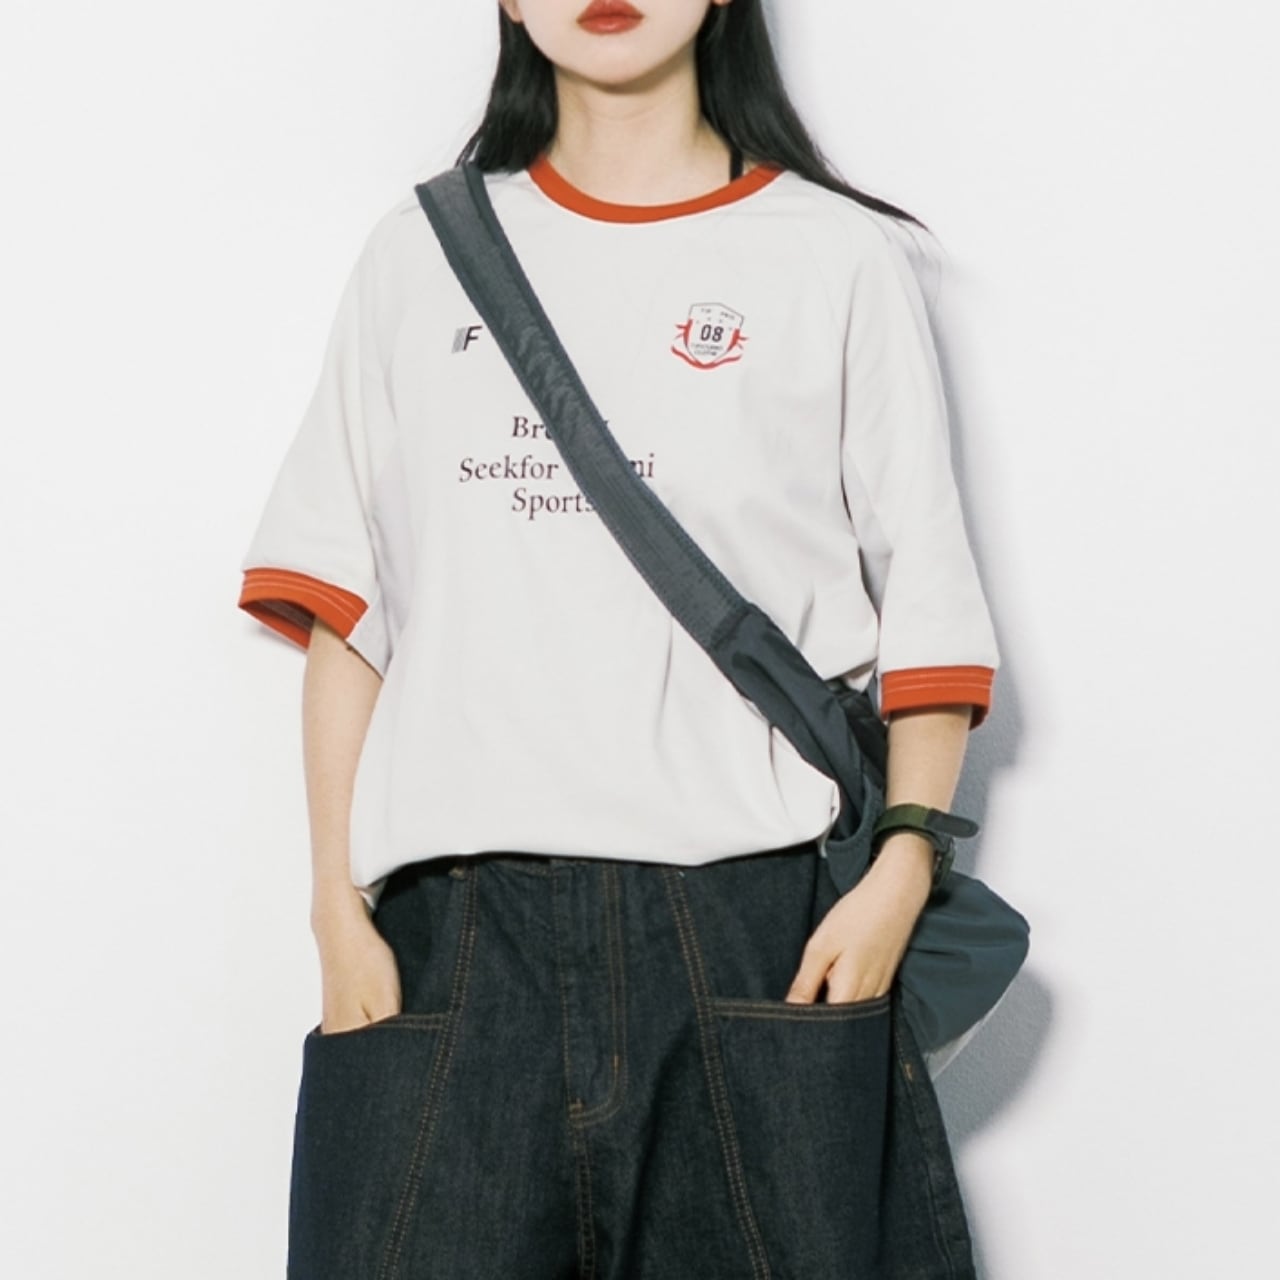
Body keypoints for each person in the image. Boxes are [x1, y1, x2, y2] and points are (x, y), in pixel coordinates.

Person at [236, 2, 999, 1276]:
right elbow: (349, 616)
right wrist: (332, 908)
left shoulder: (831, 256)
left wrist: (900, 873)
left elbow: (928, 610)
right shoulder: (415, 256)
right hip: (454, 944)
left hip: (753, 937)